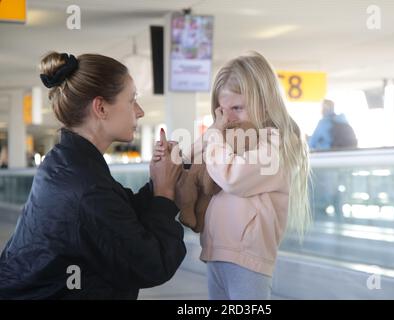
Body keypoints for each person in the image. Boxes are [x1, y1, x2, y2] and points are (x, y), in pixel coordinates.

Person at [0, 52, 186, 299]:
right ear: (100, 108)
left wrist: (157, 179)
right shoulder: (85, 185)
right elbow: (153, 264)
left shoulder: (65, 161)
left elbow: (119, 216)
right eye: (132, 101)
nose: (139, 112)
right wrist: (164, 194)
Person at [154, 52, 311, 299]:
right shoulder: (226, 138)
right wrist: (171, 157)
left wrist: (215, 134)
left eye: (237, 108)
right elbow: (190, 162)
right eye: (221, 111)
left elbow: (232, 177)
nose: (227, 119)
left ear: (264, 101)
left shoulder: (277, 144)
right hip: (217, 249)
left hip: (248, 256)